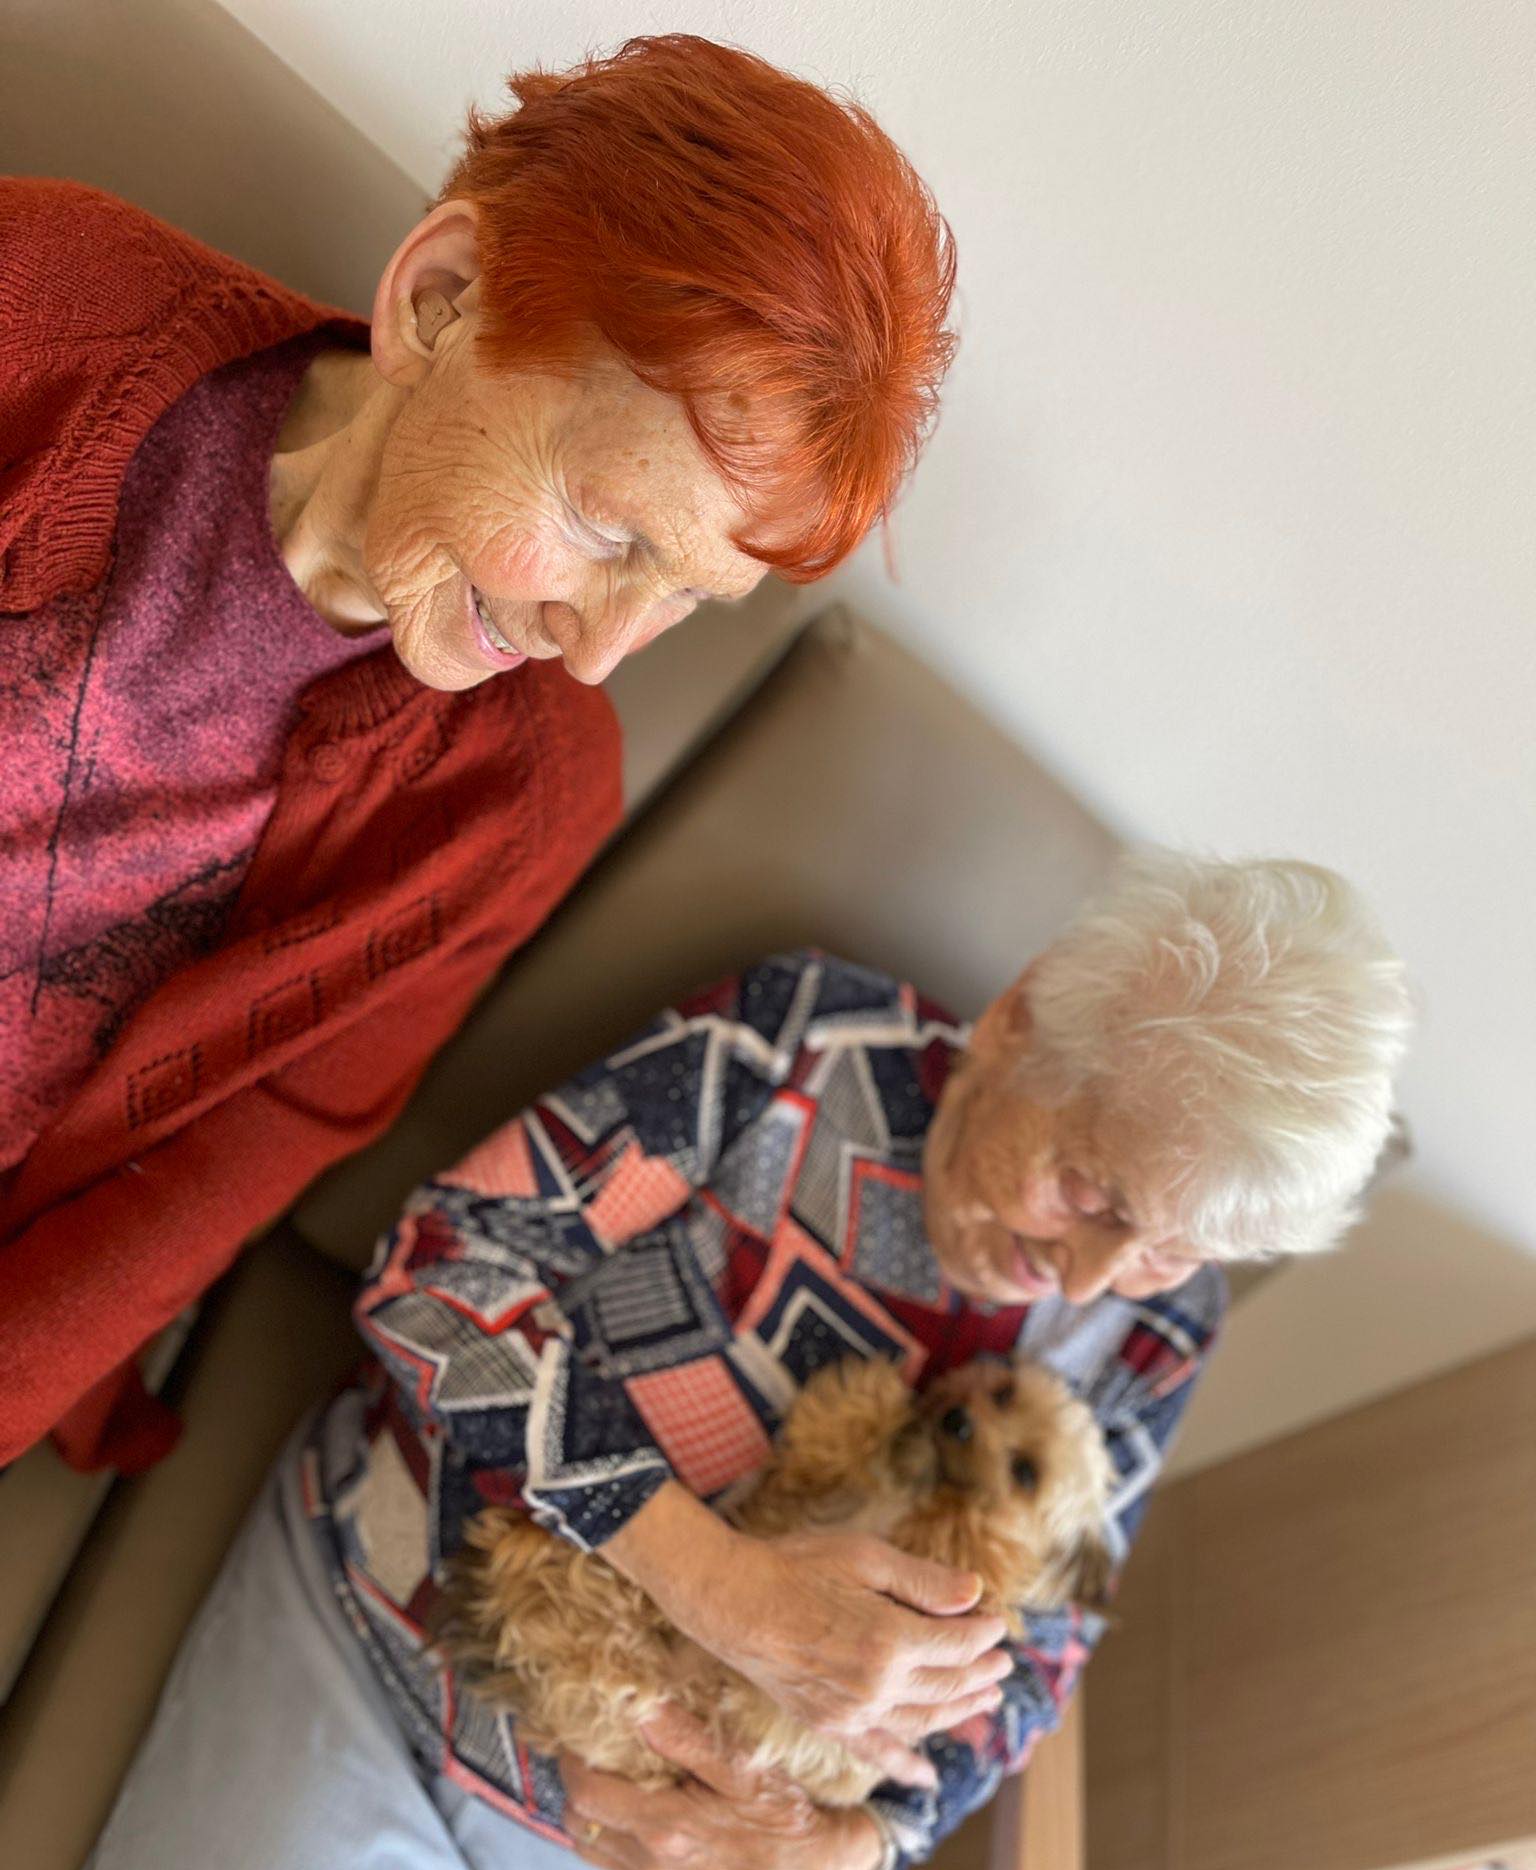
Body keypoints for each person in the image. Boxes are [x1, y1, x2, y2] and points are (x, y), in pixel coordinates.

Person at [0, 852, 1414, 1870]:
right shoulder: (802, 1047)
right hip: (406, 1669)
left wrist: (853, 1849)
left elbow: (1044, 1652)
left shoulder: (1162, 1331)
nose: (1096, 1280)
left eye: (1173, 1248)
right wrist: (713, 1579)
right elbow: (440, 1273)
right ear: (1021, 1020)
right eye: (1093, 1191)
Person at [0, 34, 956, 1469]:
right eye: (608, 530)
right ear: (439, 299)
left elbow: (211, 1172)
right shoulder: (42, 312)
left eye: (684, 598)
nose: (597, 651)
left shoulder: (519, 804)